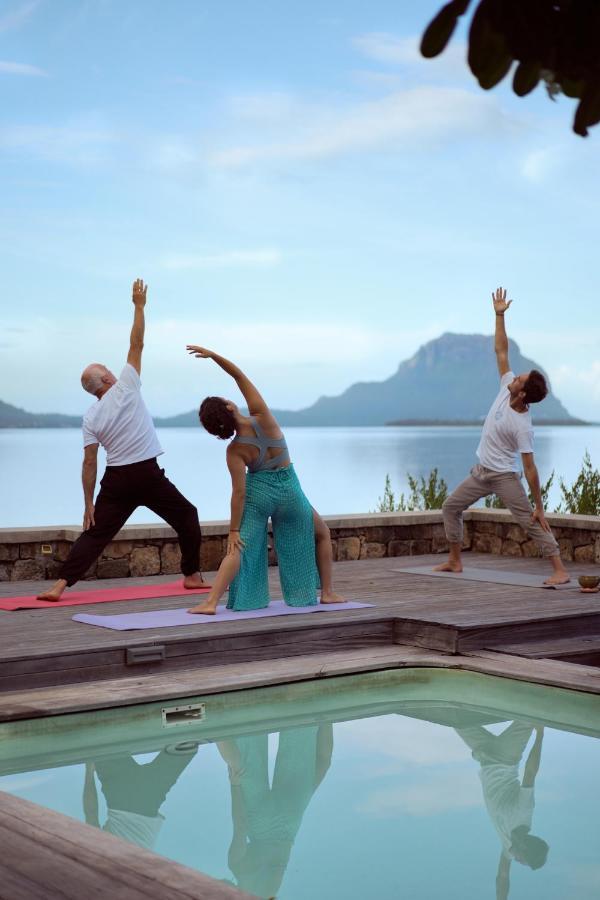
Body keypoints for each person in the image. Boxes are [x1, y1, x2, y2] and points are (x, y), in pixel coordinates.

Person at [37, 280, 205, 601]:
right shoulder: (126, 386)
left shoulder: (90, 417)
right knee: (188, 516)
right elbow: (137, 343)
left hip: (116, 480)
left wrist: (88, 503)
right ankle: (192, 576)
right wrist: (139, 307)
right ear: (108, 378)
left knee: (96, 533)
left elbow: (89, 462)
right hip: (146, 474)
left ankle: (59, 586)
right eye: (108, 369)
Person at [184, 346, 343, 615]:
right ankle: (327, 593)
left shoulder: (235, 450)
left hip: (260, 494)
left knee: (239, 547)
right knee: (322, 533)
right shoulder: (263, 417)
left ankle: (210, 602)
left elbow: (239, 493)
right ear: (230, 406)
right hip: (289, 489)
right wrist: (214, 356)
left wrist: (233, 530)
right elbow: (239, 376)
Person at [435, 286, 570, 586]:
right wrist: (498, 315)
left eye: (519, 379)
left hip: (505, 477)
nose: (514, 375)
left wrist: (539, 505)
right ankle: (455, 560)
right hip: (481, 472)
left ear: (523, 393)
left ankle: (559, 569)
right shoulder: (506, 385)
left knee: (529, 521)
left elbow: (530, 468)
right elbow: (501, 350)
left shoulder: (523, 424)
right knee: (450, 506)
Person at [218, 724, 333, 898]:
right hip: (258, 824)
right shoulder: (238, 868)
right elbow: (240, 825)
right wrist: (234, 785)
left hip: (289, 822)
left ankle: (319, 714)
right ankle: (227, 718)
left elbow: (324, 762)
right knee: (240, 763)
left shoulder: (271, 891)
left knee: (319, 758)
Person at [455, 722, 548, 900]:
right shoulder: (524, 814)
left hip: (484, 755)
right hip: (507, 756)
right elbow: (530, 773)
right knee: (529, 717)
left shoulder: (508, 847)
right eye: (523, 860)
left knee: (453, 718)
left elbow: (503, 877)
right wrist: (540, 734)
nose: (519, 862)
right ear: (525, 846)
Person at [83, 742, 199, 852]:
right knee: (103, 743)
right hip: (121, 794)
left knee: (186, 746)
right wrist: (89, 772)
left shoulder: (139, 861)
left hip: (148, 797)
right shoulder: (104, 855)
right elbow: (91, 814)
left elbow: (91, 815)